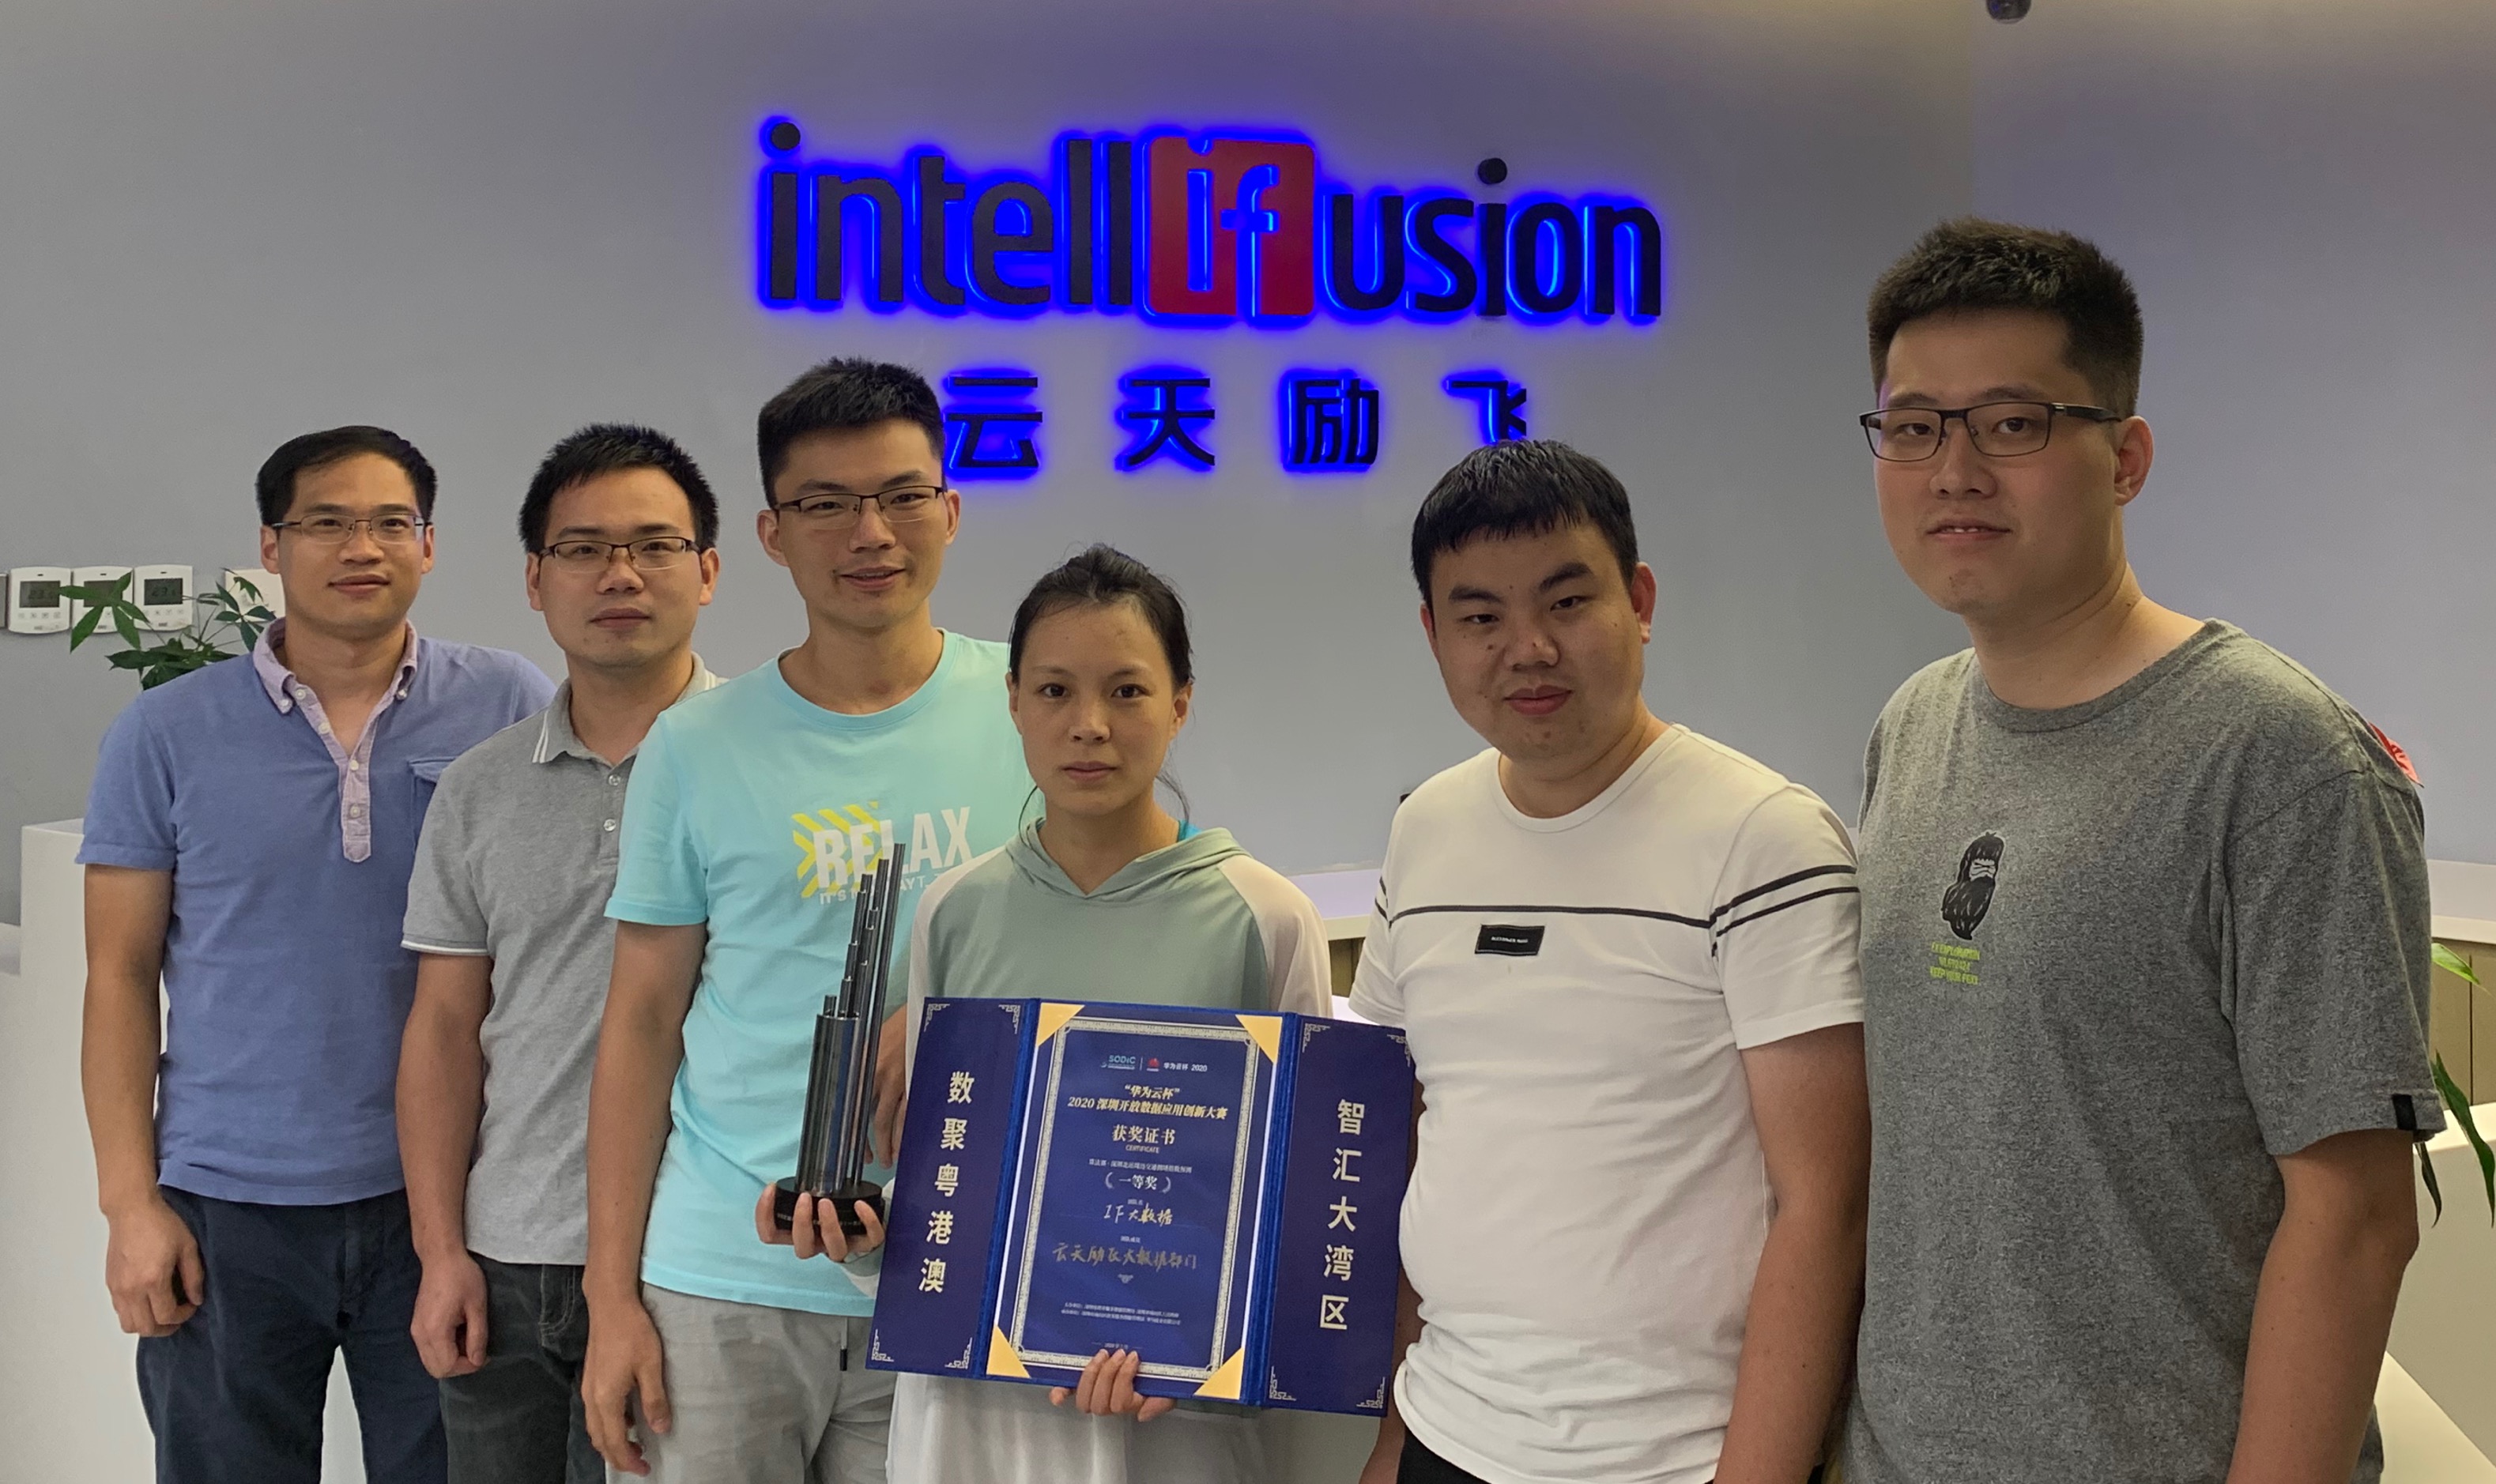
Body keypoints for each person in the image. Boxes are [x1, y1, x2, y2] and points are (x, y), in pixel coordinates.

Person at [1839, 220, 2434, 1484]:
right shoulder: (1911, 724)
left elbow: (2354, 1221)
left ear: (2126, 459)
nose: (1953, 471)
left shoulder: (2279, 759)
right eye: (1914, 425)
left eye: (2011, 422)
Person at [1352, 441, 1870, 1484]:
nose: (1528, 649)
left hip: (1670, 1457)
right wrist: (1393, 1432)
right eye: (1480, 618)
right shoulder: (1423, 831)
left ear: (1638, 601)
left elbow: (1827, 1203)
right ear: (1433, 635)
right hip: (1446, 1429)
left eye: (1566, 601)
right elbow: (1417, 1143)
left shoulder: (1764, 839)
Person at [580, 359, 1032, 1483]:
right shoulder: (695, 744)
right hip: (722, 1275)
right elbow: (640, 1021)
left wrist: (950, 1016)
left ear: (950, 510)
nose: (870, 533)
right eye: (827, 504)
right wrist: (610, 1298)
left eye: (902, 495)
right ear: (773, 535)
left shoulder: (1033, 707)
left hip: (957, 1259)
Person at [80, 426, 554, 1484]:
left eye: (391, 522)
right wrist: (129, 1204)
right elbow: (118, 976)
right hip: (226, 1203)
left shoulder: (507, 703)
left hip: (453, 1198)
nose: (361, 546)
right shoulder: (164, 732)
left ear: (428, 544)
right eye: (326, 522)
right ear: (271, 545)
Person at [865, 544, 1330, 1484]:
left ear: (1180, 704)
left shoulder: (1265, 916)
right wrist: (859, 1237)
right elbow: (936, 1178)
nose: (1088, 726)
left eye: (1126, 691)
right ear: (1012, 702)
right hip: (972, 1421)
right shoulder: (952, 911)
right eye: (1053, 691)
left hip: (1173, 1426)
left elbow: (1307, 1194)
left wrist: (1201, 1353)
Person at [397, 425, 725, 1483]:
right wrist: (442, 1250)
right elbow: (446, 1027)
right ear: (535, 579)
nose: (619, 574)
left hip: (693, 1257)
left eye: (655, 545)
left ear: (708, 571)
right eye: (583, 549)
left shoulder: (766, 769)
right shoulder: (476, 787)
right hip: (506, 1261)